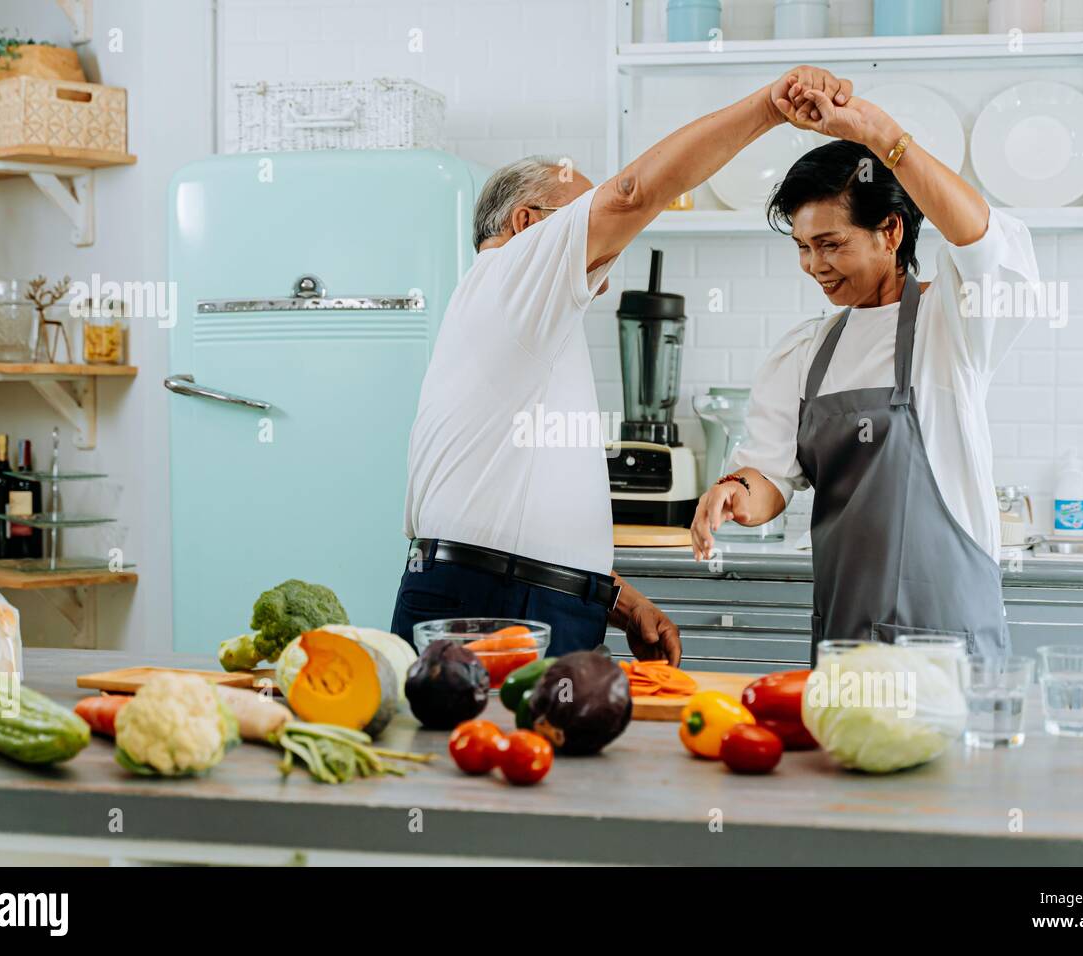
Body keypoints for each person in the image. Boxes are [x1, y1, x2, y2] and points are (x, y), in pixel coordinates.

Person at [393, 67, 854, 661]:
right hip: (496, 609)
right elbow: (632, 194)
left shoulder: (521, 320)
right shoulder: (511, 276)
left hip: (514, 599)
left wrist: (615, 599)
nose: (614, 237)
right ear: (527, 225)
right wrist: (769, 107)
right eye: (580, 210)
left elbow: (516, 510)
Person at [690, 86, 1040, 658]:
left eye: (830, 244)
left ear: (891, 231)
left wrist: (879, 135)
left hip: (950, 642)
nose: (814, 266)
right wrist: (733, 494)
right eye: (803, 247)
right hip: (847, 643)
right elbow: (770, 475)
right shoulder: (807, 349)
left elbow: (981, 240)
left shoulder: (951, 323)